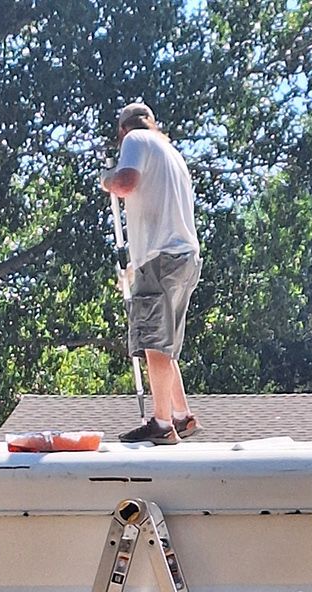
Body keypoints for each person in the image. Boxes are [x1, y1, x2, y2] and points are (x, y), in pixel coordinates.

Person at [99, 102, 200, 446]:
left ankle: (160, 423)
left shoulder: (136, 140)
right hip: (184, 256)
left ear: (123, 130)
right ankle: (181, 415)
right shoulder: (170, 151)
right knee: (165, 344)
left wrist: (107, 180)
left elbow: (126, 183)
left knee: (154, 342)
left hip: (158, 256)